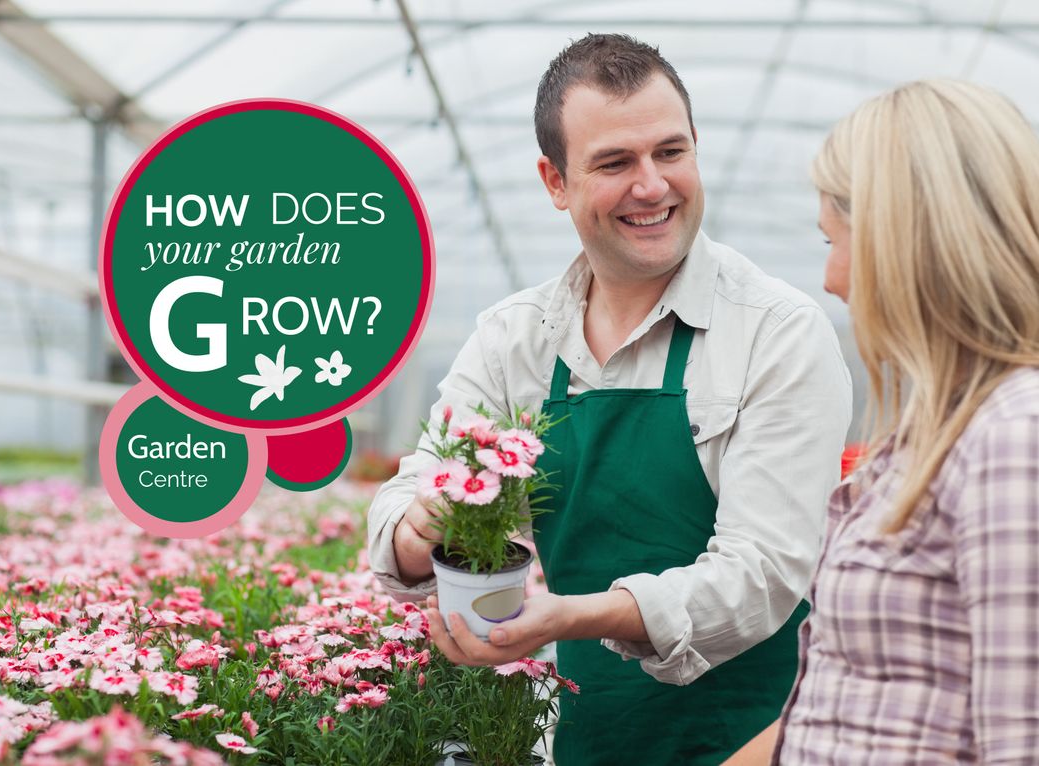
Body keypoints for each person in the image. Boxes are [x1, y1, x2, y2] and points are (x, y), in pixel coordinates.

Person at [367, 34, 852, 765]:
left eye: (671, 152)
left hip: (754, 735)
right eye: (615, 163)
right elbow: (401, 513)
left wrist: (570, 618)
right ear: (555, 182)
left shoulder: (775, 331)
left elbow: (763, 574)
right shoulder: (515, 339)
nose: (652, 185)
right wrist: (424, 523)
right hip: (586, 736)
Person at [725, 79, 1039, 765]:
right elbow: (850, 703)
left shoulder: (1014, 438)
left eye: (835, 242)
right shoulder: (935, 432)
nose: (832, 279)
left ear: (905, 245)